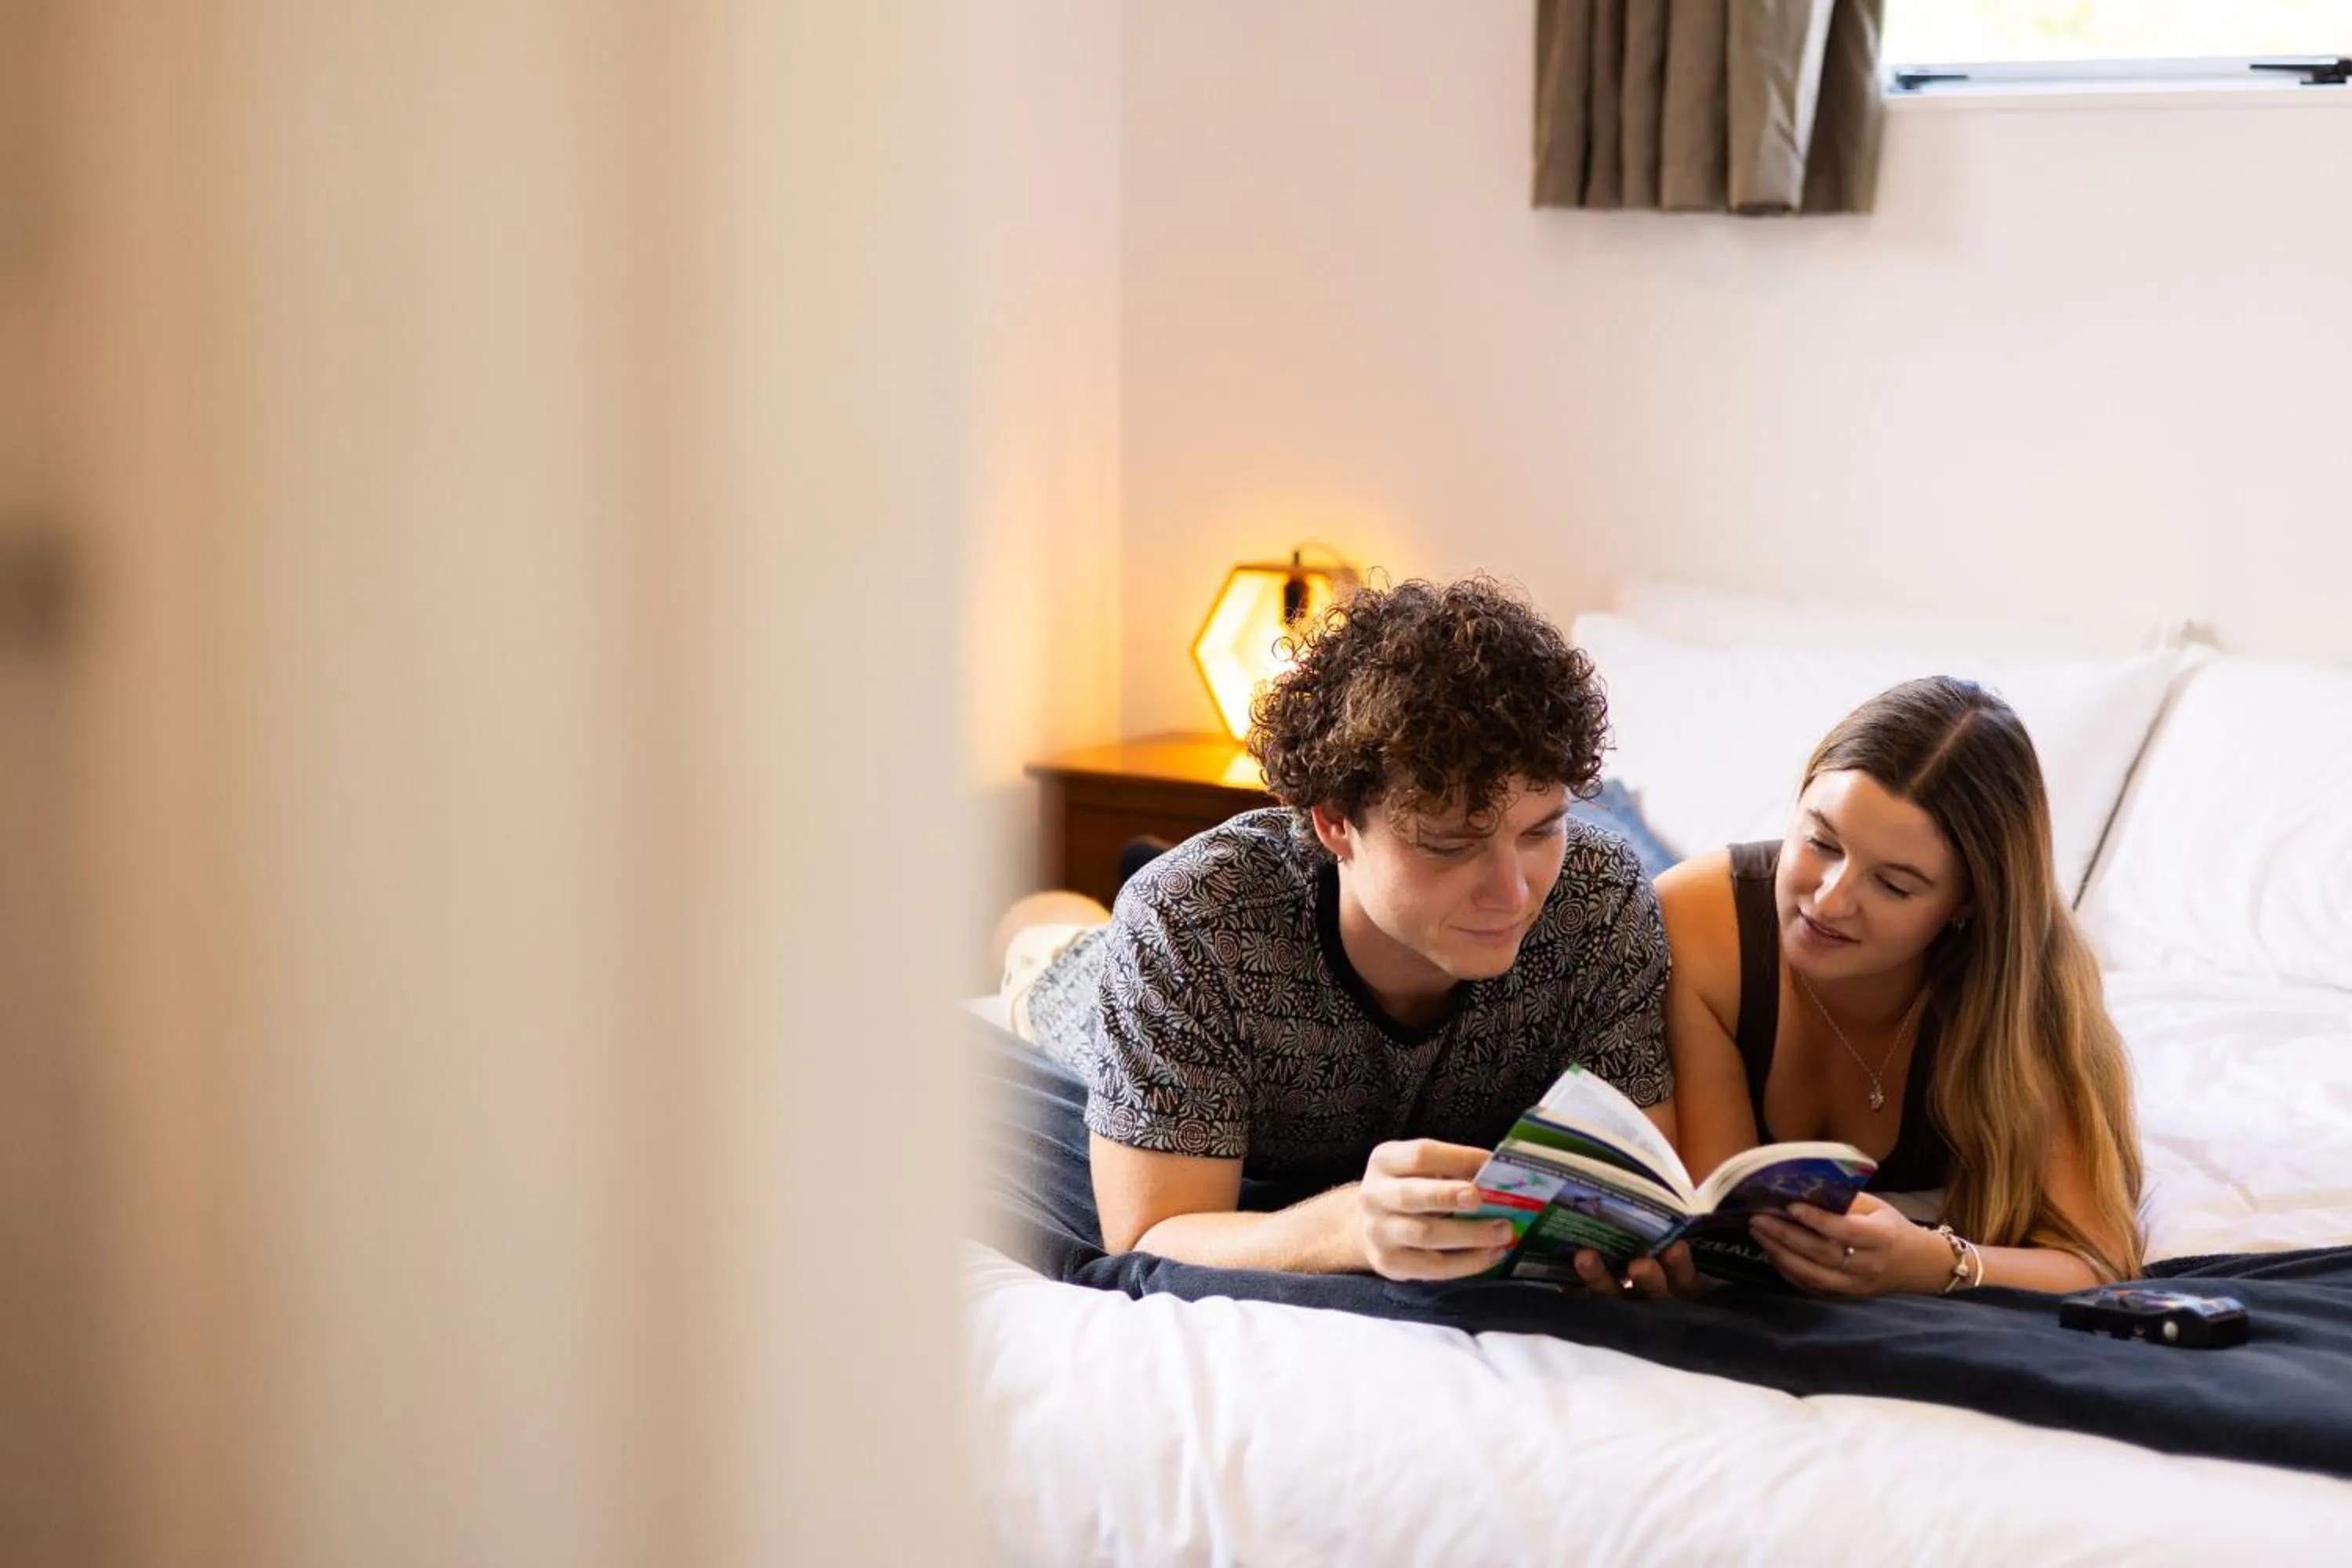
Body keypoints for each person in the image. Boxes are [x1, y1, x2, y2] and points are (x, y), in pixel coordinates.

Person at [999, 575, 1673, 1281]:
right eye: (1451, 845)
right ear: (1334, 822)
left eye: (1540, 832)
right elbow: (1150, 1233)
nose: (1513, 893)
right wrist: (1348, 1226)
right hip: (1094, 975)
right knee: (1052, 946)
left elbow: (1641, 1187)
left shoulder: (1597, 893)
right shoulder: (1193, 922)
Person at [1596, 676, 2143, 1301]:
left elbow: (2096, 1258)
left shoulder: (2026, 986)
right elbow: (1715, 1220)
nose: (1830, 901)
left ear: (1965, 902)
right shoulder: (1696, 922)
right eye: (1821, 842)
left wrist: (1932, 1262)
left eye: (1895, 885)